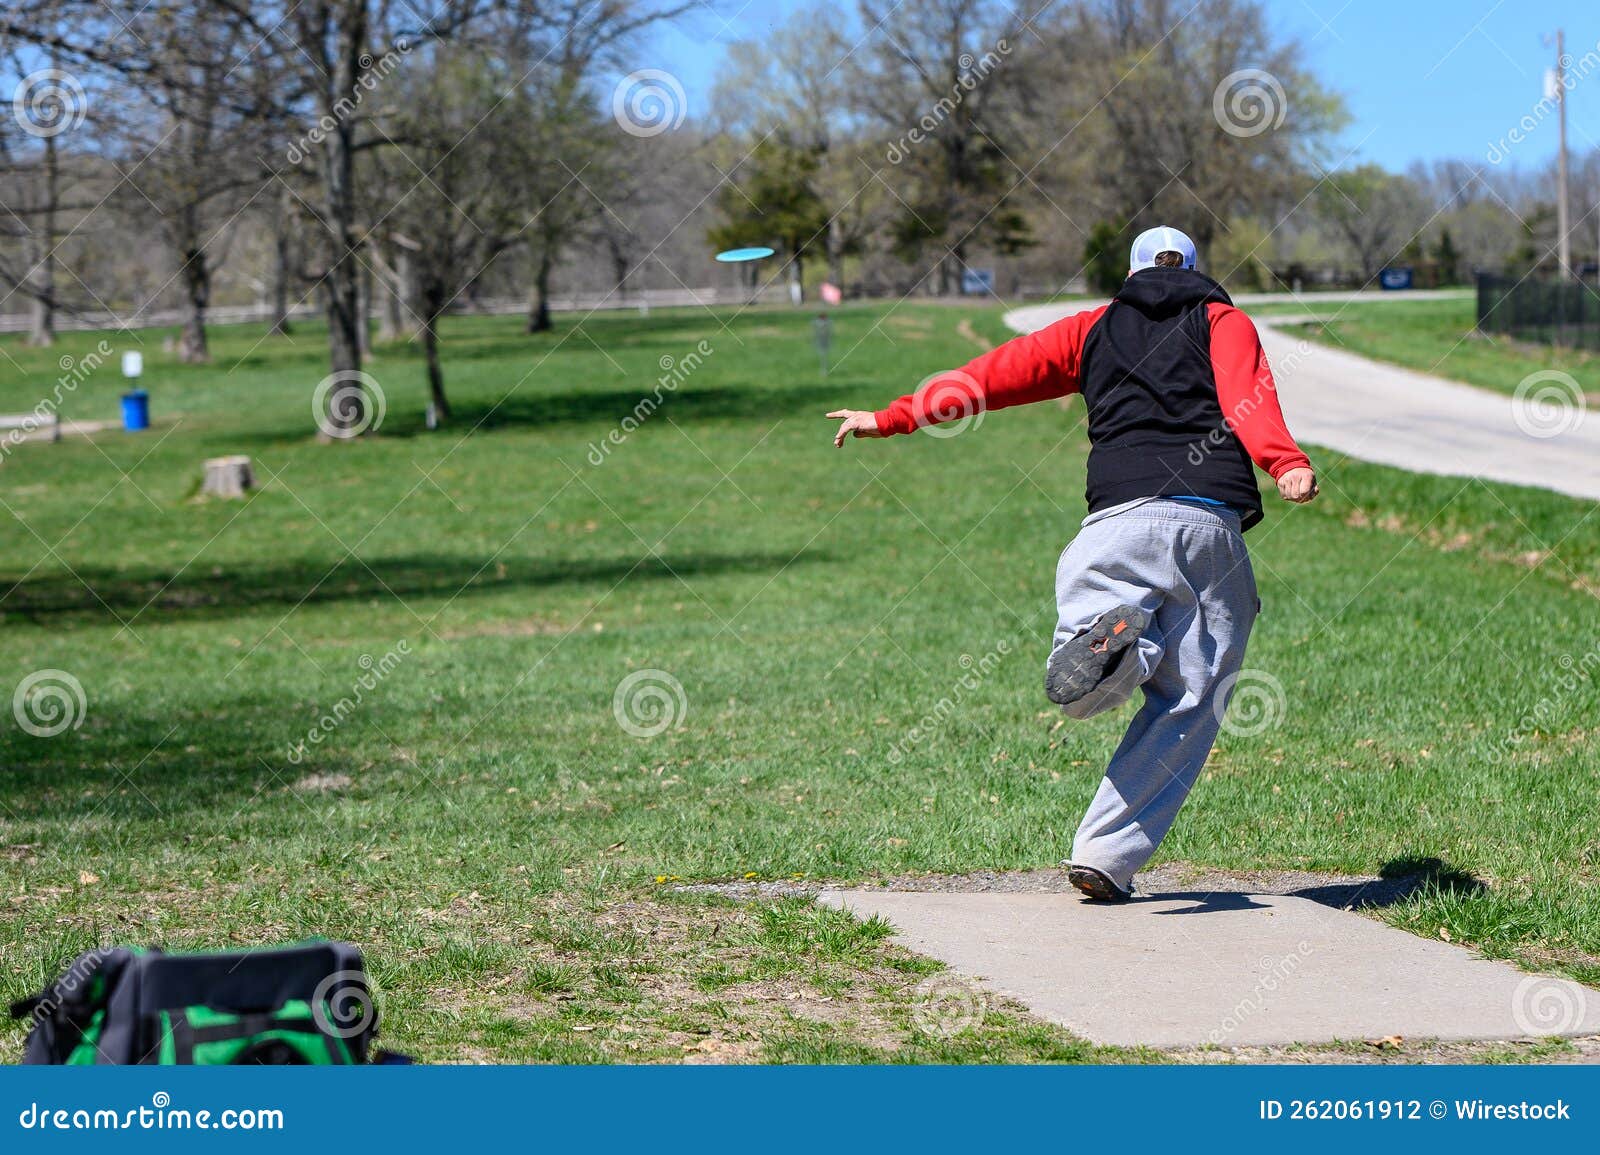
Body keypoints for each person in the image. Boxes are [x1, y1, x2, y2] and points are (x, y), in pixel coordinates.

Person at [826, 225, 1317, 902]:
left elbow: (990, 377)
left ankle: (1120, 645)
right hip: (1209, 521)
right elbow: (1246, 396)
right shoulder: (1223, 320)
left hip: (1115, 523)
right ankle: (1105, 855)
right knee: (1193, 699)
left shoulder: (1092, 328)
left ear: (1134, 271)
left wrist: (895, 415)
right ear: (1198, 270)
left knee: (1089, 679)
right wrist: (1284, 461)